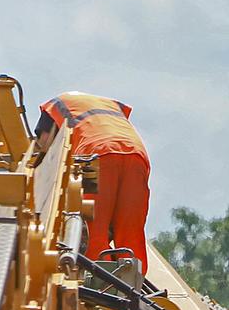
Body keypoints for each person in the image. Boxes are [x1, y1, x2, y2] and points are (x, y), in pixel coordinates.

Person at [32, 91, 150, 270]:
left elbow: (44, 141)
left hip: (95, 155)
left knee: (94, 229)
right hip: (136, 155)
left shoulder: (54, 106)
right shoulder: (109, 108)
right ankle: (131, 280)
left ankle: (99, 283)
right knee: (130, 231)